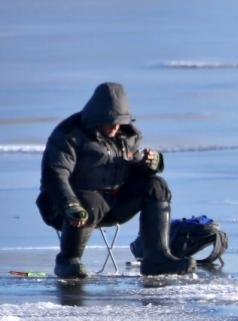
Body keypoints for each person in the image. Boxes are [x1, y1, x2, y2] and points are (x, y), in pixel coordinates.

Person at [36, 82, 196, 278]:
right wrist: (69, 204)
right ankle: (68, 260)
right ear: (97, 117)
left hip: (112, 203)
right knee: (90, 201)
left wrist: (152, 163)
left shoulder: (127, 136)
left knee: (157, 186)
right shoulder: (69, 134)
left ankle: (157, 259)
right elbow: (55, 174)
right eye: (110, 121)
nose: (116, 126)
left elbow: (133, 168)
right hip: (65, 208)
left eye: (120, 121)